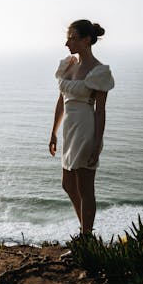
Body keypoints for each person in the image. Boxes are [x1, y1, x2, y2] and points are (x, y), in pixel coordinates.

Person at [49, 19, 114, 234]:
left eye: (73, 38)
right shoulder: (68, 65)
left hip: (86, 129)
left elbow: (100, 110)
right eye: (68, 38)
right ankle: (85, 230)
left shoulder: (98, 71)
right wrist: (53, 133)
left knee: (85, 188)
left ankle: (86, 237)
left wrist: (96, 144)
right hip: (69, 129)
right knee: (68, 184)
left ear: (87, 40)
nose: (67, 43)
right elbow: (61, 101)